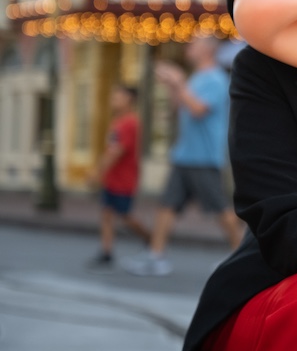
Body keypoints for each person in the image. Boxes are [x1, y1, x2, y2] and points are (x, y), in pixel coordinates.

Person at [125, 37, 242, 277]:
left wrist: (178, 83)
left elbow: (199, 110)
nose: (189, 46)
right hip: (185, 155)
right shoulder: (197, 77)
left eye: (195, 43)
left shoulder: (216, 79)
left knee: (220, 208)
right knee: (167, 205)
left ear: (207, 49)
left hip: (204, 157)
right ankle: (156, 256)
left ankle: (242, 255)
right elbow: (180, 107)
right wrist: (172, 86)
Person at [86, 83, 152, 270]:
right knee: (107, 213)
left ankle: (149, 238)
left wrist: (97, 172)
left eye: (118, 97)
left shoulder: (130, 123)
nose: (114, 101)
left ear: (129, 99)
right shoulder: (117, 121)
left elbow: (117, 151)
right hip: (112, 177)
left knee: (125, 215)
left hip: (124, 177)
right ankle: (106, 252)